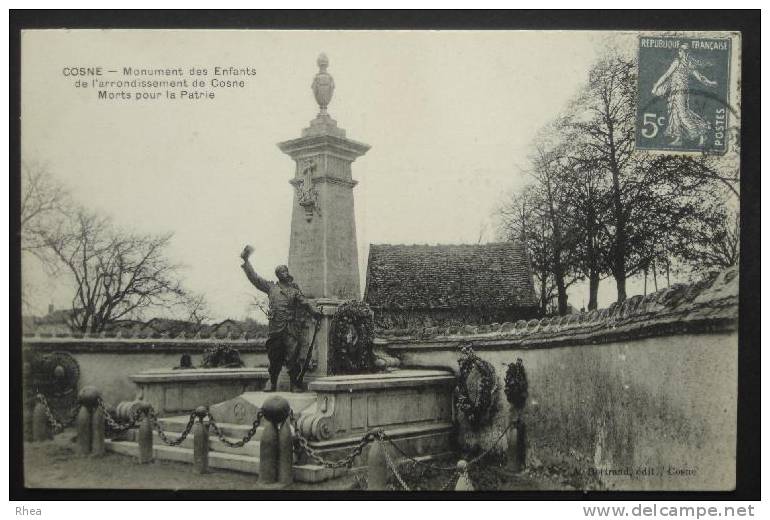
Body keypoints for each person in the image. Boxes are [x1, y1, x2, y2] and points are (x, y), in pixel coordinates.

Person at [240, 245, 321, 393]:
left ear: (288, 273)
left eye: (285, 271)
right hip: (275, 327)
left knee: (292, 356)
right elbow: (255, 278)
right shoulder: (271, 287)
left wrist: (315, 312)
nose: (283, 273)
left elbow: (305, 301)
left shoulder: (294, 290)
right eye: (280, 271)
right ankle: (273, 383)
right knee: (274, 357)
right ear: (277, 275)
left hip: (290, 327)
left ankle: (294, 384)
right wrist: (246, 261)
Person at [651, 42, 718, 147]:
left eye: (687, 51)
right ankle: (679, 138)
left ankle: (702, 132)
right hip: (674, 91)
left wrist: (710, 83)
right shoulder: (676, 62)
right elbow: (666, 75)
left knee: (683, 113)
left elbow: (700, 77)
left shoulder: (689, 64)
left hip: (682, 92)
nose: (686, 52)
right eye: (683, 50)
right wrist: (656, 86)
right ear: (680, 51)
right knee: (674, 114)